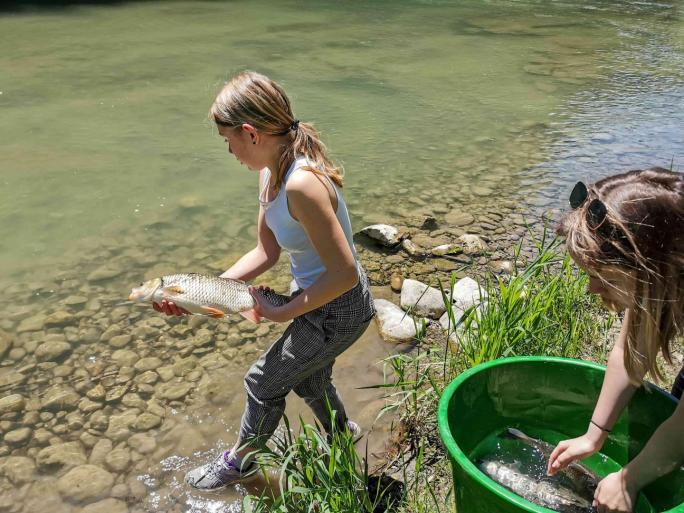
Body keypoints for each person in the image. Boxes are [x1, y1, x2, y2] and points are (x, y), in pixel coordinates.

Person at [154, 70, 376, 490]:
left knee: (262, 380)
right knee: (309, 377)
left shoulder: (303, 184)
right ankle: (342, 435)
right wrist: (195, 295)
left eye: (228, 140)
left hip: (340, 307)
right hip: (319, 298)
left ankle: (242, 463)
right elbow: (266, 252)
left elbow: (345, 273)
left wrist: (283, 312)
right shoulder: (271, 173)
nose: (228, 150)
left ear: (251, 133)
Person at [547, 168, 684, 513]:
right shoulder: (660, 285)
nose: (591, 288)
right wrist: (594, 435)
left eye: (602, 276)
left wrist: (629, 479)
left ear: (653, 268)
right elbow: (628, 352)